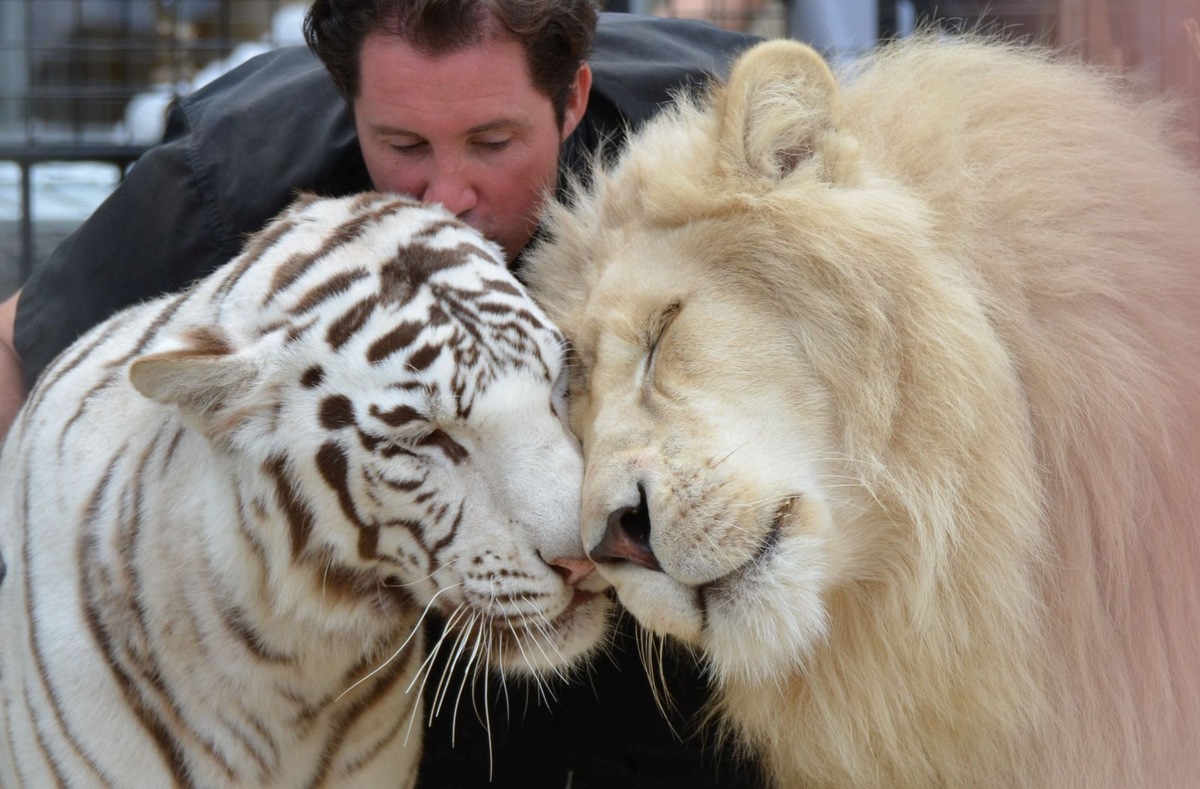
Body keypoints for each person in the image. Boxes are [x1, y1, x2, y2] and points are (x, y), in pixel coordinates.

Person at [0, 2, 764, 787]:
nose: (443, 199)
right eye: (401, 145)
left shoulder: (703, 132)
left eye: (493, 144)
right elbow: (16, 346)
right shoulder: (238, 161)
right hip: (408, 690)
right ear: (350, 106)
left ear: (571, 101)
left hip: (680, 688)